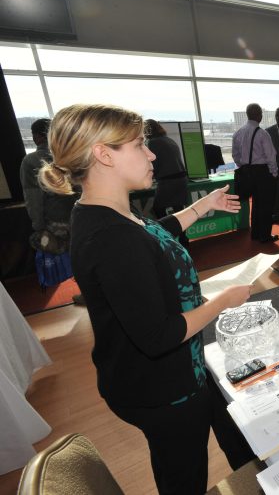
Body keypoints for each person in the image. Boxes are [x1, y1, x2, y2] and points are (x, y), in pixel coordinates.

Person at [39, 104, 256, 494]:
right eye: (139, 145)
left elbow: (154, 235)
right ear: (104, 154)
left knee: (234, 432)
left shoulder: (108, 212)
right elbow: (159, 335)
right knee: (183, 475)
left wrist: (201, 206)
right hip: (161, 387)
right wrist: (222, 301)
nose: (152, 153)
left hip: (180, 369)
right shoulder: (110, 237)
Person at [20, 118, 78, 257]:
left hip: (57, 227)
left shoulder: (31, 161)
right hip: (82, 221)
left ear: (36, 137)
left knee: (36, 240)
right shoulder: (72, 155)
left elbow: (34, 200)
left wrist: (38, 227)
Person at [232, 103, 279, 243]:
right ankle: (264, 235)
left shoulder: (238, 133)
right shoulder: (262, 133)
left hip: (247, 172)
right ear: (259, 115)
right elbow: (271, 156)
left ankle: (255, 233)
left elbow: (235, 156)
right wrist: (274, 174)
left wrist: (245, 166)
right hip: (262, 173)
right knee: (265, 205)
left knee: (255, 204)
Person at [145, 119, 189, 247]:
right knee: (178, 210)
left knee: (158, 209)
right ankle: (183, 238)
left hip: (168, 181)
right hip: (181, 179)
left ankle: (167, 238)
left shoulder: (153, 143)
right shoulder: (169, 140)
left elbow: (155, 164)